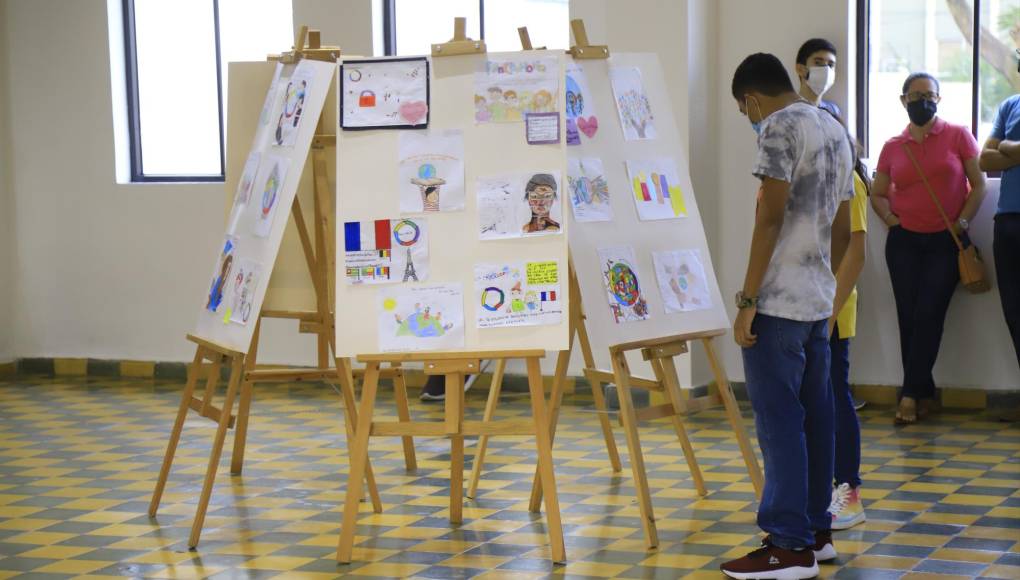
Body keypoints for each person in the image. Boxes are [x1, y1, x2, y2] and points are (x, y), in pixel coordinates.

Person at [721, 53, 853, 580]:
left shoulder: (778, 126)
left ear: (752, 99)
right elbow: (844, 229)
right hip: (819, 300)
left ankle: (787, 546)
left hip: (778, 303)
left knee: (779, 425)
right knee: (816, 419)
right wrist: (829, 287)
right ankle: (817, 535)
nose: (748, 118)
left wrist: (748, 300)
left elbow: (769, 216)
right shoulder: (834, 127)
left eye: (743, 110)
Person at [870, 73, 986, 425]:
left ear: (939, 98)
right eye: (916, 95)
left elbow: (978, 185)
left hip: (944, 242)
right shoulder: (893, 145)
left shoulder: (957, 135)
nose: (923, 101)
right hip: (904, 243)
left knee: (928, 313)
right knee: (908, 315)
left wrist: (961, 223)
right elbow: (877, 192)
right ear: (903, 100)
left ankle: (908, 393)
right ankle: (922, 390)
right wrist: (892, 221)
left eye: (930, 95)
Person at [822, 109, 870, 530]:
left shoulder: (849, 181)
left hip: (832, 311)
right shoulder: (812, 180)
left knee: (837, 397)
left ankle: (849, 494)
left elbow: (856, 253)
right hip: (810, 309)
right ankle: (822, 491)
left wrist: (829, 314)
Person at [979, 69, 1020, 422]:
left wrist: (1007, 147)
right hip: (1008, 222)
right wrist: (1012, 148)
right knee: (1015, 312)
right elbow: (984, 160)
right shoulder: (1010, 106)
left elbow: (997, 154)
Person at [796, 38, 840, 120]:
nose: (826, 69)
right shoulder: (786, 112)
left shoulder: (833, 111)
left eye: (830, 65)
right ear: (800, 69)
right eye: (818, 63)